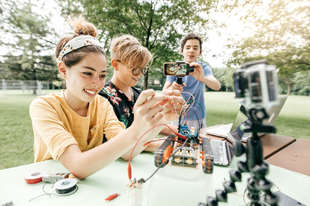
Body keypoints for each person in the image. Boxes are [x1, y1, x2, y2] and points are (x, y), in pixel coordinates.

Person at [29, 17, 184, 179]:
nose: (96, 83)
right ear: (63, 70)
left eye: (102, 75)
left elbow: (127, 152)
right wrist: (136, 129)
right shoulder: (43, 106)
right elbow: (77, 165)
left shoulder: (102, 104)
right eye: (87, 73)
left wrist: (160, 121)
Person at [99, 34, 178, 148]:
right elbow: (121, 144)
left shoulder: (139, 94)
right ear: (116, 64)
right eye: (135, 69)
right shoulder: (102, 97)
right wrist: (171, 143)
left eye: (142, 69)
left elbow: (151, 126)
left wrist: (187, 133)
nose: (140, 74)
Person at [163, 33, 221, 131]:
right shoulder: (174, 68)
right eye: (188, 47)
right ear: (182, 51)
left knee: (198, 143)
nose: (191, 51)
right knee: (177, 143)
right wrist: (172, 88)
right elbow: (163, 92)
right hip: (177, 115)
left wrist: (203, 78)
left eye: (195, 48)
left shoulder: (203, 68)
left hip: (198, 116)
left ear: (200, 52)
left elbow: (217, 86)